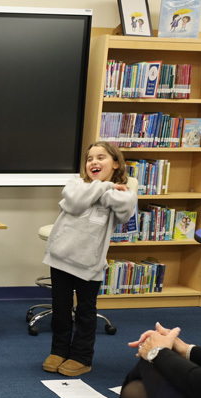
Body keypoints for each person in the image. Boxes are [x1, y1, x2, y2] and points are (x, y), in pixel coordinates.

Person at [42, 141, 136, 377]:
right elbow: (74, 201)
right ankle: (59, 350)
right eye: (89, 158)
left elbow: (125, 208)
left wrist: (98, 191)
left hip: (90, 263)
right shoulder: (76, 183)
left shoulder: (125, 188)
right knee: (61, 308)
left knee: (85, 311)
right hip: (60, 256)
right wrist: (104, 188)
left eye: (101, 157)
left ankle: (82, 357)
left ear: (115, 163)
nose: (93, 162)